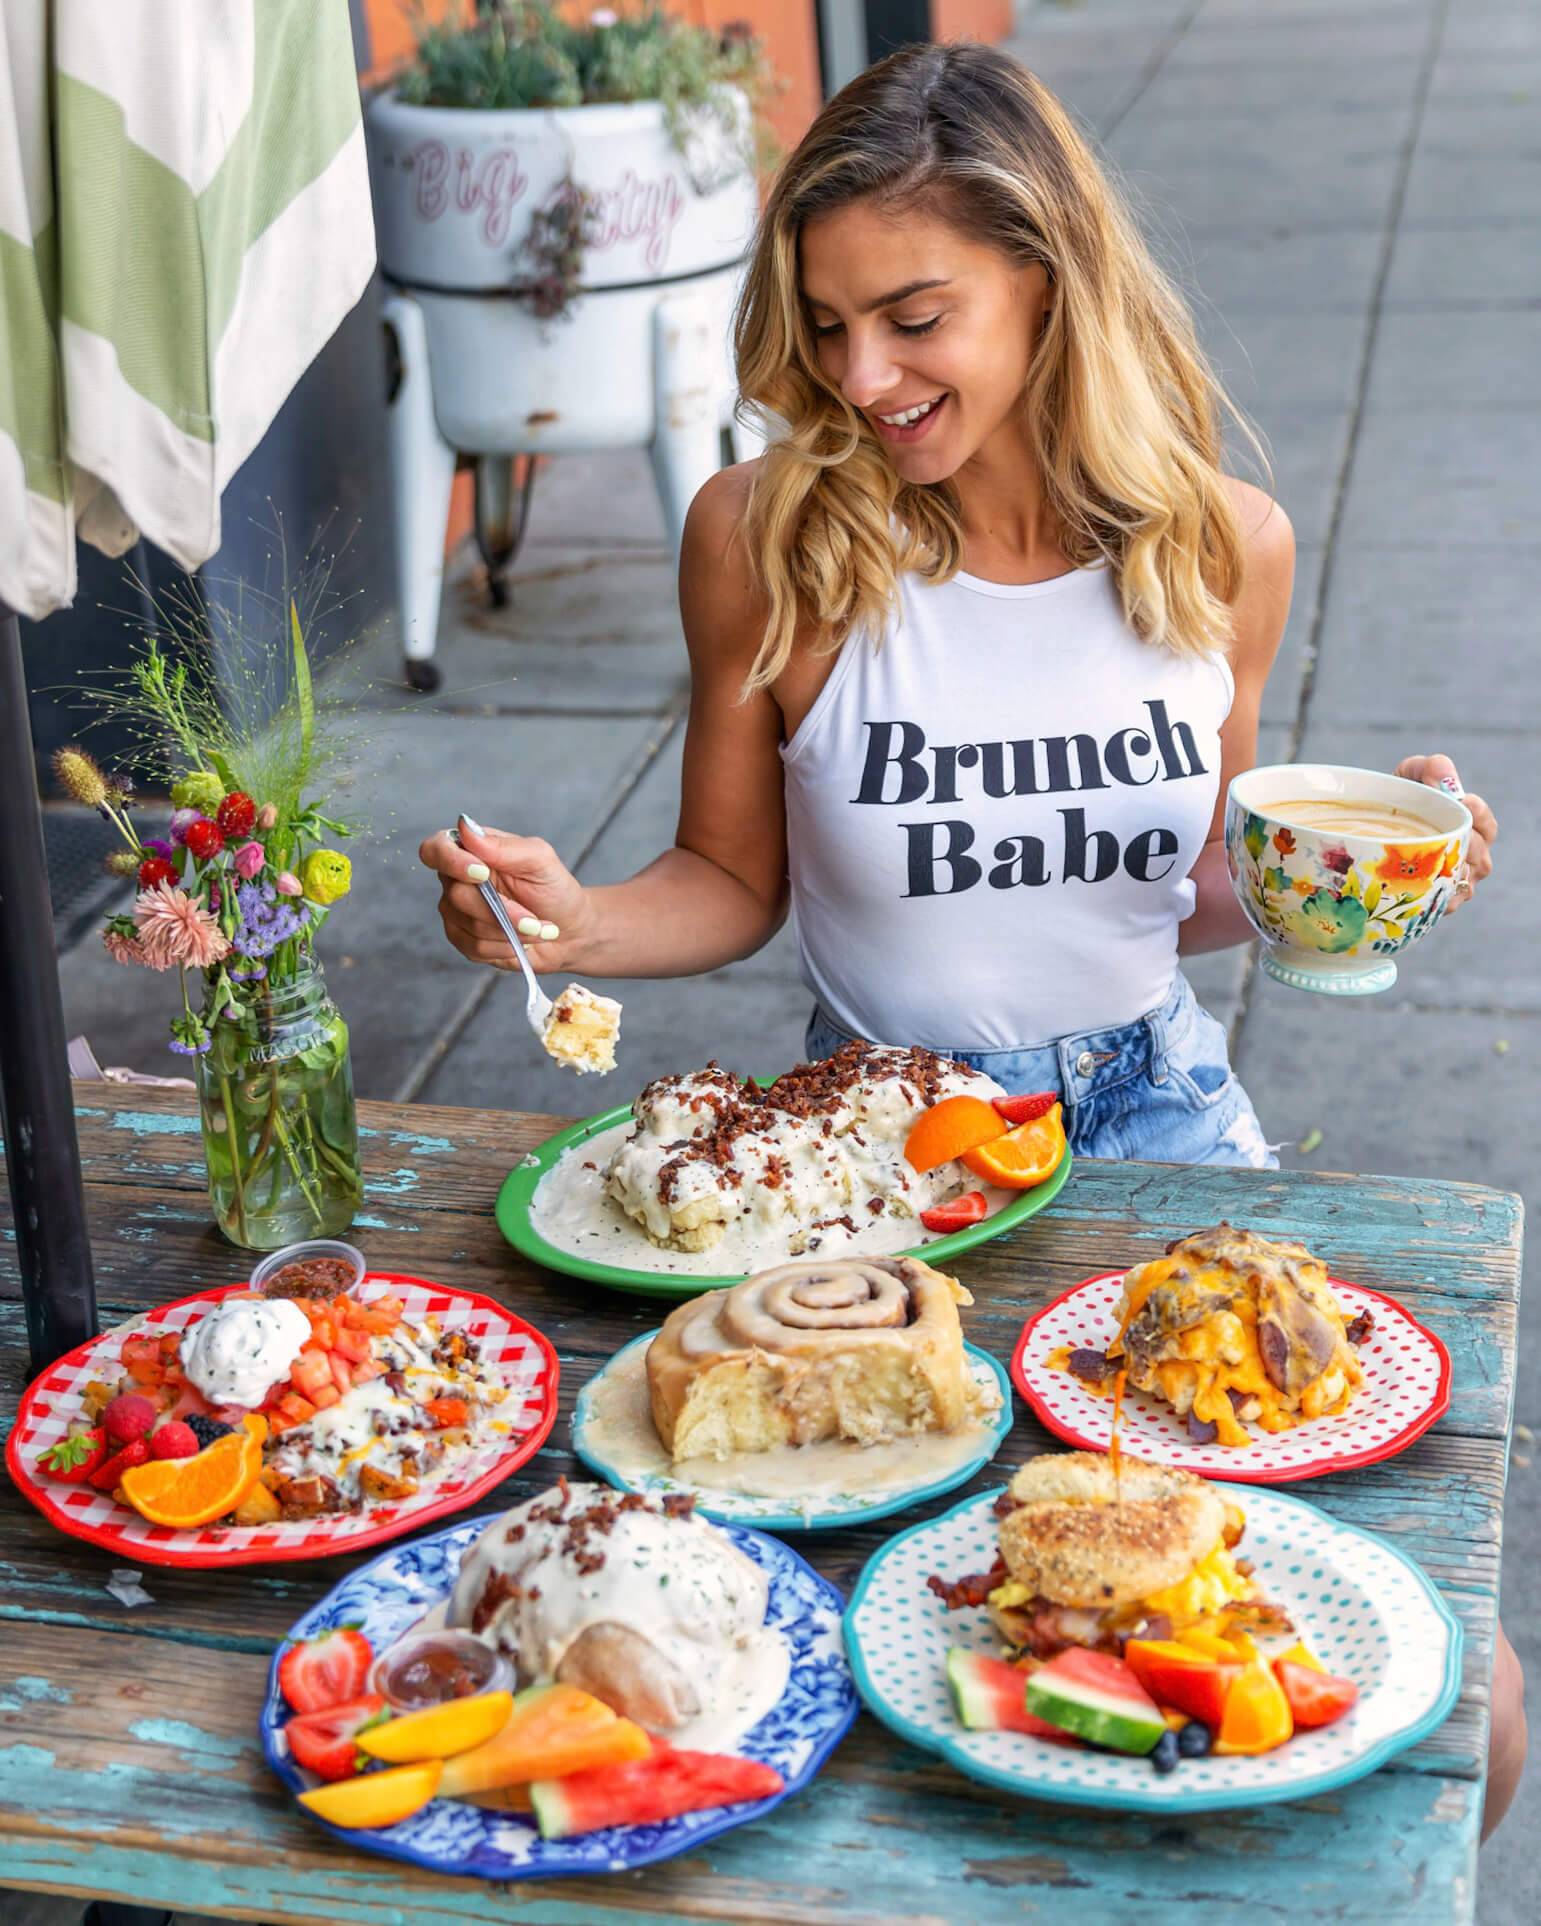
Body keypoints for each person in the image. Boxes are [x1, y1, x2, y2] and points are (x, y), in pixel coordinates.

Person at [420, 42, 1519, 1818]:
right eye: (827, 324)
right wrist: (574, 917)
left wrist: (1360, 879)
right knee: (890, 1681)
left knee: (1456, 1694)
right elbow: (731, 877)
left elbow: (1182, 894)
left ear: (1046, 277)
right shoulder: (766, 537)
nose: (859, 376)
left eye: (912, 315)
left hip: (1159, 1111)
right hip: (866, 1167)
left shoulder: (1218, 547)